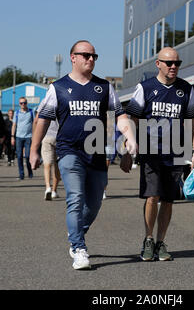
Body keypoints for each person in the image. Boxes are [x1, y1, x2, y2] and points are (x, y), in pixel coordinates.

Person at [30, 40, 137, 270]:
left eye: (94, 56)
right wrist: (34, 150)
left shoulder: (104, 87)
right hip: (69, 151)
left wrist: (130, 139)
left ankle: (76, 232)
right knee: (75, 198)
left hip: (97, 153)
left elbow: (120, 116)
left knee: (95, 202)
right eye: (86, 55)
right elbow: (42, 119)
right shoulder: (57, 87)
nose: (91, 59)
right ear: (73, 57)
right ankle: (79, 248)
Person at [126, 47, 194, 262]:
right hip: (151, 151)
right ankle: (148, 239)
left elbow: (191, 122)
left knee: (168, 200)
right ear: (158, 64)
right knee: (152, 196)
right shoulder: (145, 88)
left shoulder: (186, 89)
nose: (174, 66)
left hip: (177, 151)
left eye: (177, 62)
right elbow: (133, 119)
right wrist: (128, 149)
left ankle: (161, 242)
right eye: (169, 63)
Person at [33, 110, 61, 200]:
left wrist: (34, 137)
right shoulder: (64, 100)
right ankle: (54, 191)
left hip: (47, 137)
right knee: (57, 165)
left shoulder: (45, 105)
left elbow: (36, 121)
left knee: (47, 164)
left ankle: (48, 187)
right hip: (60, 138)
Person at [12, 97, 34, 180]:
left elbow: (34, 124)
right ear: (19, 104)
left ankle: (30, 171)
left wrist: (35, 136)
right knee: (19, 156)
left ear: (27, 103)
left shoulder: (31, 112)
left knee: (28, 156)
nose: (23, 104)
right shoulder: (16, 113)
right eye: (21, 103)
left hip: (28, 137)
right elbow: (14, 125)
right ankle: (21, 174)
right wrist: (12, 137)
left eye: (24, 103)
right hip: (18, 137)